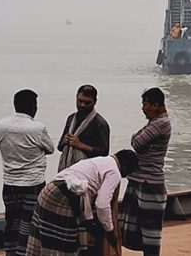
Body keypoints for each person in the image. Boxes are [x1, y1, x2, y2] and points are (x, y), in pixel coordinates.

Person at [25, 150, 139, 256]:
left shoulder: (102, 161)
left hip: (49, 191)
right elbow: (102, 205)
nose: (126, 176)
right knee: (63, 243)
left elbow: (86, 195)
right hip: (61, 198)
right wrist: (110, 231)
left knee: (48, 238)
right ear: (124, 166)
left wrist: (90, 223)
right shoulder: (114, 172)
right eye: (128, 172)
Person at [0, 89, 55, 256]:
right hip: (32, 184)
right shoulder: (37, 128)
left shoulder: (2, 125)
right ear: (33, 107)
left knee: (11, 223)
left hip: (9, 183)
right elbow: (50, 148)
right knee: (29, 225)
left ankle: (10, 252)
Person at [120, 87, 173, 256]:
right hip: (140, 180)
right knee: (136, 227)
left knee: (151, 231)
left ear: (156, 105)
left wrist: (137, 135)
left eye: (146, 104)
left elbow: (136, 143)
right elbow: (138, 139)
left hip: (150, 182)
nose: (143, 108)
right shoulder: (154, 122)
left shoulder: (160, 123)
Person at [58, 85, 111, 171]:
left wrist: (80, 145)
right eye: (80, 101)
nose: (82, 105)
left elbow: (104, 152)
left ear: (95, 102)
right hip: (67, 169)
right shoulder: (71, 119)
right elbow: (60, 147)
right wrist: (64, 141)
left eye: (87, 103)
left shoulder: (100, 124)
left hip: (88, 171)